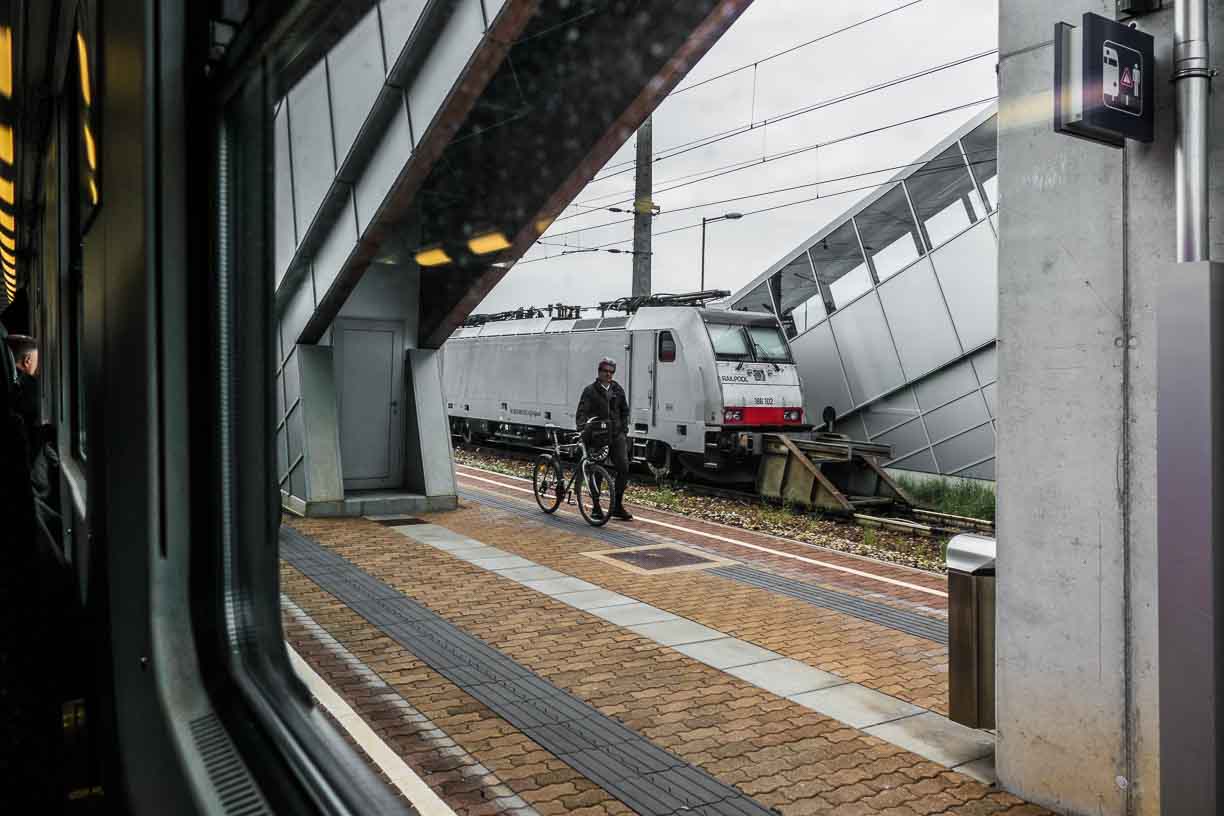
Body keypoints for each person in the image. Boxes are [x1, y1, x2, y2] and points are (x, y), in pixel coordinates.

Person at [575, 356, 633, 521]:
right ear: (599, 372)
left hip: (616, 436)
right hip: (597, 437)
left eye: (611, 372)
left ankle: (617, 506)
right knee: (597, 472)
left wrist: (623, 429)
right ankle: (596, 507)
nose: (608, 374)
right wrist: (582, 429)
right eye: (605, 371)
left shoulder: (617, 389)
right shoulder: (590, 391)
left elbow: (624, 410)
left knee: (623, 468)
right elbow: (582, 413)